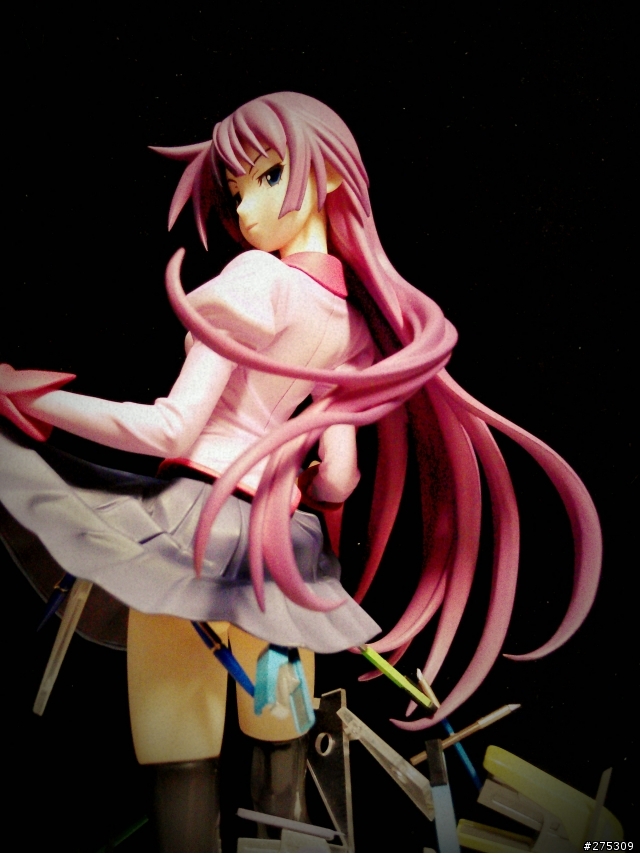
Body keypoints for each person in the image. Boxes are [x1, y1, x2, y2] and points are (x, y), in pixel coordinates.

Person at [0, 92, 601, 849]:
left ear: (331, 176)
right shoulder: (349, 327)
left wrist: (34, 399)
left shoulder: (255, 280)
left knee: (180, 750)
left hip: (189, 531)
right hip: (280, 554)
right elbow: (340, 480)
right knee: (282, 746)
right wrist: (299, 475)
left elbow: (170, 427)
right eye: (235, 192)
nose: (247, 210)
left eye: (268, 176)